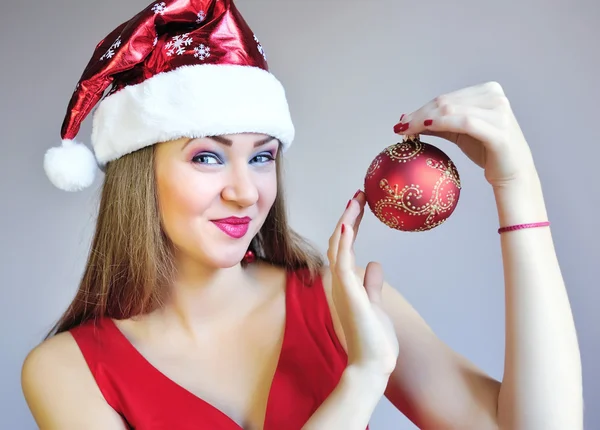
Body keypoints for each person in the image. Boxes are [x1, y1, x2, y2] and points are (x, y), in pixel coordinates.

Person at [21, 0, 583, 429]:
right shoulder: (66, 372)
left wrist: (516, 187)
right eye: (209, 157)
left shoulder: (339, 304)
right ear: (139, 174)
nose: (246, 192)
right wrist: (361, 380)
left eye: (262, 156)